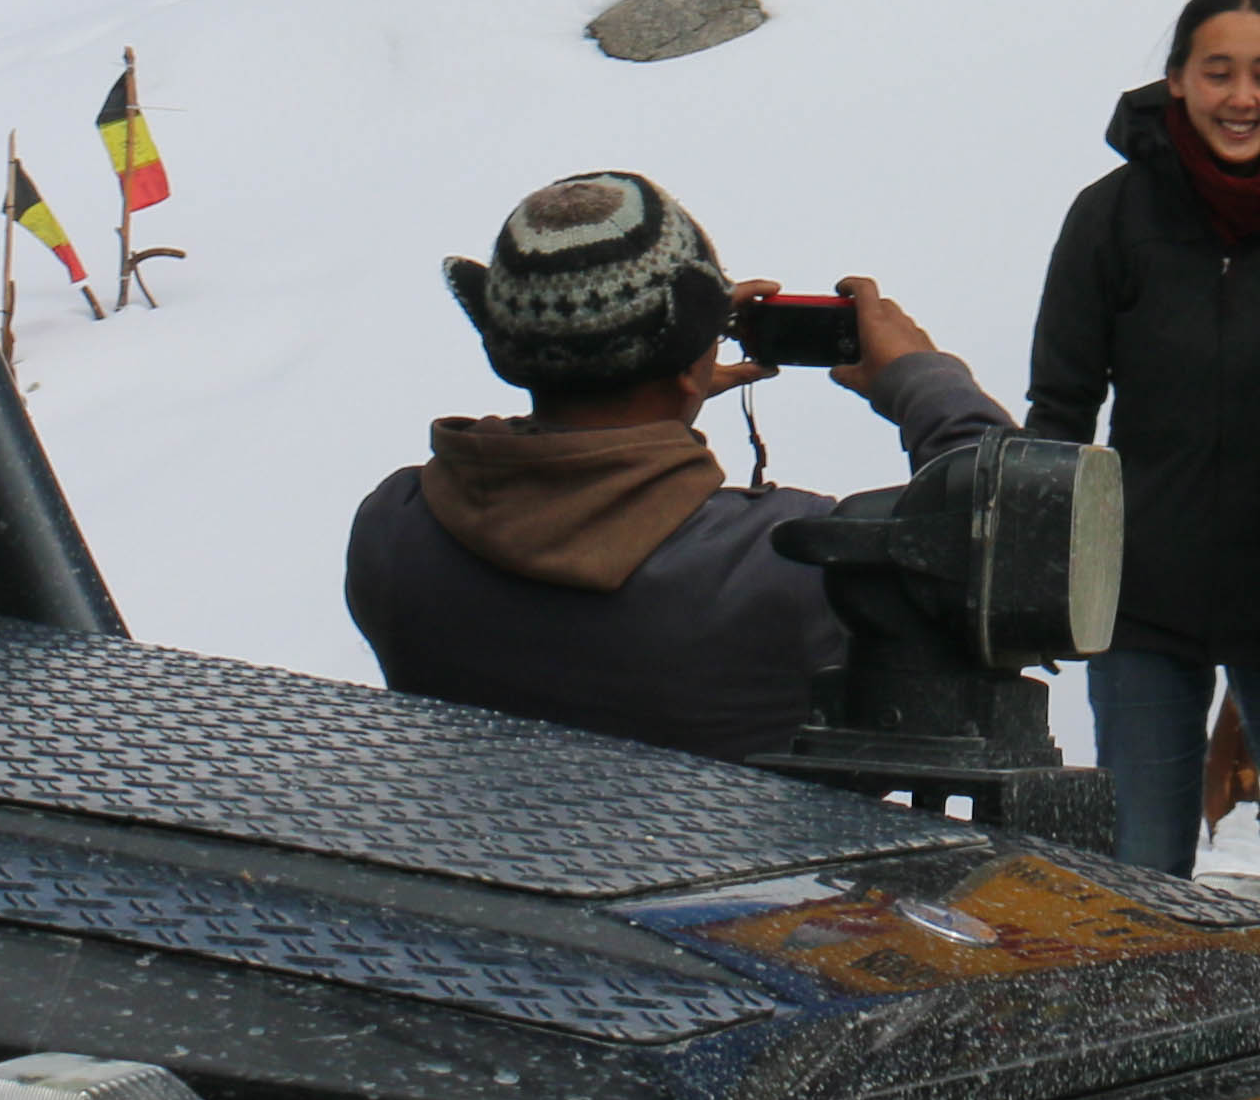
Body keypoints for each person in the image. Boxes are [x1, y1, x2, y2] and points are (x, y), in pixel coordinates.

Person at [350, 169, 1013, 762]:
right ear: (692, 359)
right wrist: (922, 380)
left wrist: (665, 385)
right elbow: (1021, 540)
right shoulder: (796, 562)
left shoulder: (394, 531)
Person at [1031, 0, 1260, 970]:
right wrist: (1047, 570)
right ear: (1177, 81)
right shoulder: (1113, 217)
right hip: (1143, 596)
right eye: (1219, 72)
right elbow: (1061, 410)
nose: (1242, 97)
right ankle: (1134, 1047)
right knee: (1142, 864)